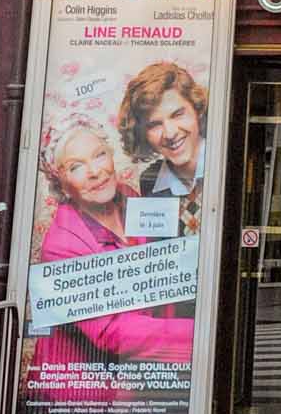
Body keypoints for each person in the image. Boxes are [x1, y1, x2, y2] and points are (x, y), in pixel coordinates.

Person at [31, 117, 194, 369]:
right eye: (76, 167)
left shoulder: (129, 196)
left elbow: (162, 271)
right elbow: (112, 331)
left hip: (144, 373)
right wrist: (200, 331)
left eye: (99, 155)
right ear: (60, 184)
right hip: (84, 386)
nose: (95, 172)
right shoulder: (60, 246)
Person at [118, 62, 208, 236]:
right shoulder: (150, 181)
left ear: (197, 111)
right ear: (143, 134)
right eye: (154, 124)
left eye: (178, 115)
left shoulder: (224, 162)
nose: (170, 133)